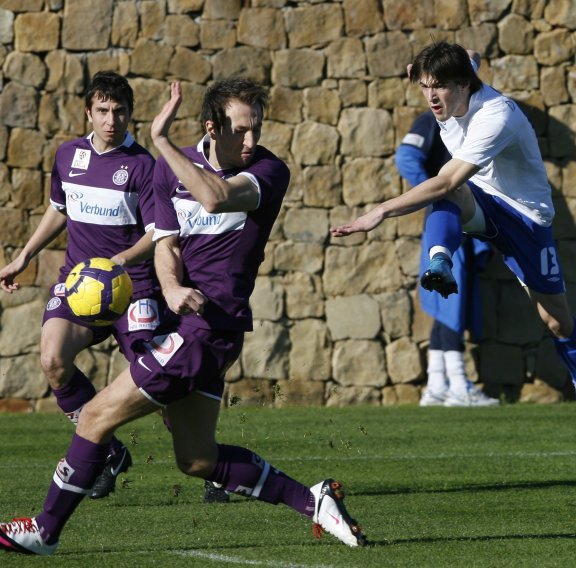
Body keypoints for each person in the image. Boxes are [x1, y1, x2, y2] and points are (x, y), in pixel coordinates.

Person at [0, 78, 367, 555]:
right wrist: (170, 286)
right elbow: (166, 243)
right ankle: (312, 500)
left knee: (94, 416)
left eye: (256, 127)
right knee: (196, 458)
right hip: (186, 327)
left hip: (209, 331)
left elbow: (215, 197)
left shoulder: (268, 172)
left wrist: (161, 142)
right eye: (241, 130)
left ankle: (44, 531)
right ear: (213, 128)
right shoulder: (170, 171)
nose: (252, 140)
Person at [331, 42, 576, 458]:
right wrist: (430, 68)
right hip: (482, 202)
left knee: (557, 322)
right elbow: (465, 63)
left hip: (526, 221)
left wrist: (379, 212)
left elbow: (445, 181)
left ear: (464, 85)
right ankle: (441, 262)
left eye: (440, 87)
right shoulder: (454, 92)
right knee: (455, 195)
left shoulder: (495, 116)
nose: (431, 97)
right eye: (425, 86)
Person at [0, 71, 162, 499]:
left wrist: (120, 262)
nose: (112, 120)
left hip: (134, 290)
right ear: (88, 112)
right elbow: (59, 210)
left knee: (163, 382)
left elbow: (158, 232)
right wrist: (23, 256)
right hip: (79, 288)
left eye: (120, 111)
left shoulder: (143, 166)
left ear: (130, 114)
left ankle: (213, 468)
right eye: (104, 111)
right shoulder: (68, 155)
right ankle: (108, 450)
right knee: (53, 360)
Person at [396, 110, 498, 407]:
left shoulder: (468, 121)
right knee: (452, 299)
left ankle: (437, 384)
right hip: (446, 219)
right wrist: (436, 192)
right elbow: (405, 157)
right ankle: (458, 386)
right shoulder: (430, 120)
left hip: (463, 218)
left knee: (447, 300)